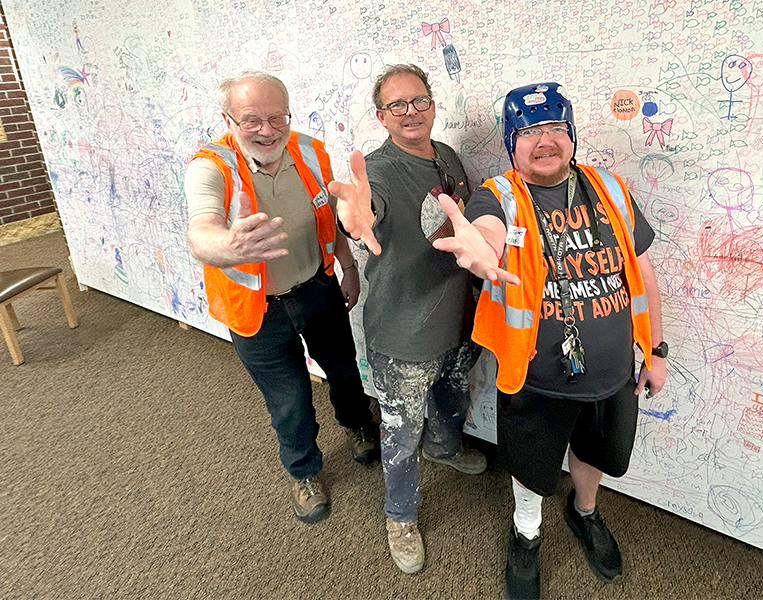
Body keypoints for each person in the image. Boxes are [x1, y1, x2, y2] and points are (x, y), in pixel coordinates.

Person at [431, 82, 668, 599]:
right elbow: (487, 230)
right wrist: (481, 248)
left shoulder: (611, 189)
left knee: (595, 451)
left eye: (555, 128)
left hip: (612, 371)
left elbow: (643, 272)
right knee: (533, 463)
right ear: (513, 143)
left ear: (572, 135)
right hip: (536, 376)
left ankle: (585, 513)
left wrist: (657, 350)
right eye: (530, 131)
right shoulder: (499, 196)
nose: (544, 141)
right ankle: (527, 533)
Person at [184, 71, 379, 526]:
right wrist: (228, 246)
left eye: (277, 117)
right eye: (251, 120)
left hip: (319, 288)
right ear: (228, 119)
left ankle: (357, 425)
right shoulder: (210, 167)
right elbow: (201, 231)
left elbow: (329, 216)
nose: (267, 130)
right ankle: (304, 472)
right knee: (289, 400)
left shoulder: (311, 151)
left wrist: (348, 267)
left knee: (345, 371)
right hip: (258, 312)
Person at [327, 64, 486, 574]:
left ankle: (444, 448)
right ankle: (400, 517)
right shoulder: (378, 170)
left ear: (434, 105)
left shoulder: (449, 157)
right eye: (397, 105)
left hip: (459, 318)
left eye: (419, 101)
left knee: (453, 397)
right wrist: (355, 216)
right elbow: (363, 207)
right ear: (381, 116)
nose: (410, 112)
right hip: (405, 331)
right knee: (400, 433)